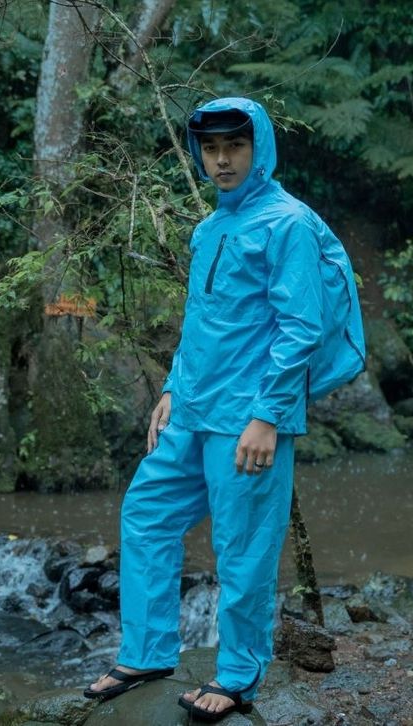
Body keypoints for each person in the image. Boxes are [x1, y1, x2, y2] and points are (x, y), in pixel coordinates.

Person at [84, 96, 359, 721]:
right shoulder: (208, 229)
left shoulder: (287, 224)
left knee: (243, 546)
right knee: (146, 513)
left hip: (248, 418)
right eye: (210, 149)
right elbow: (201, 322)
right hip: (193, 410)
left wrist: (268, 416)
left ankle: (237, 675)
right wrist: (172, 389)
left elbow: (301, 328)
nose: (222, 159)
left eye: (235, 146)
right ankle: (148, 653)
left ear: (259, 148)